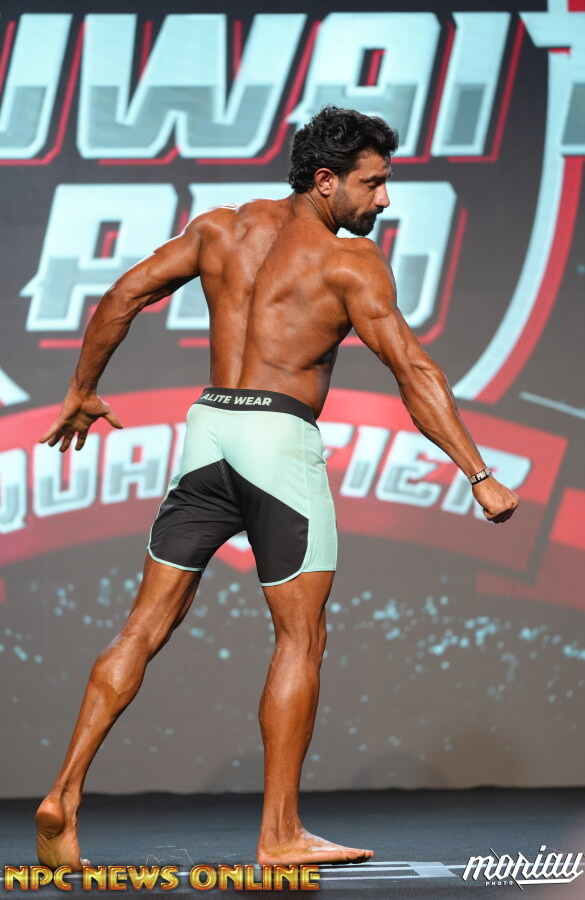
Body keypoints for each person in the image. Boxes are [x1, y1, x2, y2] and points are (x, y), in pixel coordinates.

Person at [35, 106, 519, 870]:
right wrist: (479, 474)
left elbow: (122, 295)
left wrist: (81, 390)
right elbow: (413, 369)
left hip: (208, 432)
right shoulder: (349, 262)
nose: (384, 199)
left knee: (142, 629)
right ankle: (280, 833)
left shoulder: (220, 229)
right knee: (302, 637)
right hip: (278, 441)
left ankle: (63, 795)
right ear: (326, 181)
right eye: (373, 183)